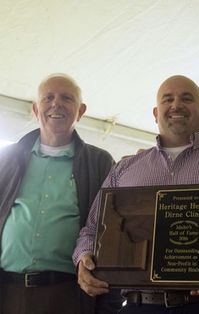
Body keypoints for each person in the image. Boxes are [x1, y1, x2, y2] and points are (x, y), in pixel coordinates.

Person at [73, 75, 199, 313]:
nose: (176, 105)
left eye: (187, 98)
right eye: (168, 99)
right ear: (155, 113)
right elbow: (92, 230)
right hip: (138, 306)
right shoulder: (124, 169)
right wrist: (83, 259)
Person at [0, 73, 122, 314]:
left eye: (67, 98)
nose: (56, 104)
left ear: (81, 110)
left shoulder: (100, 162)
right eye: (48, 98)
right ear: (36, 109)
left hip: (67, 294)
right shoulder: (7, 159)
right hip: (7, 291)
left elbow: (112, 233)